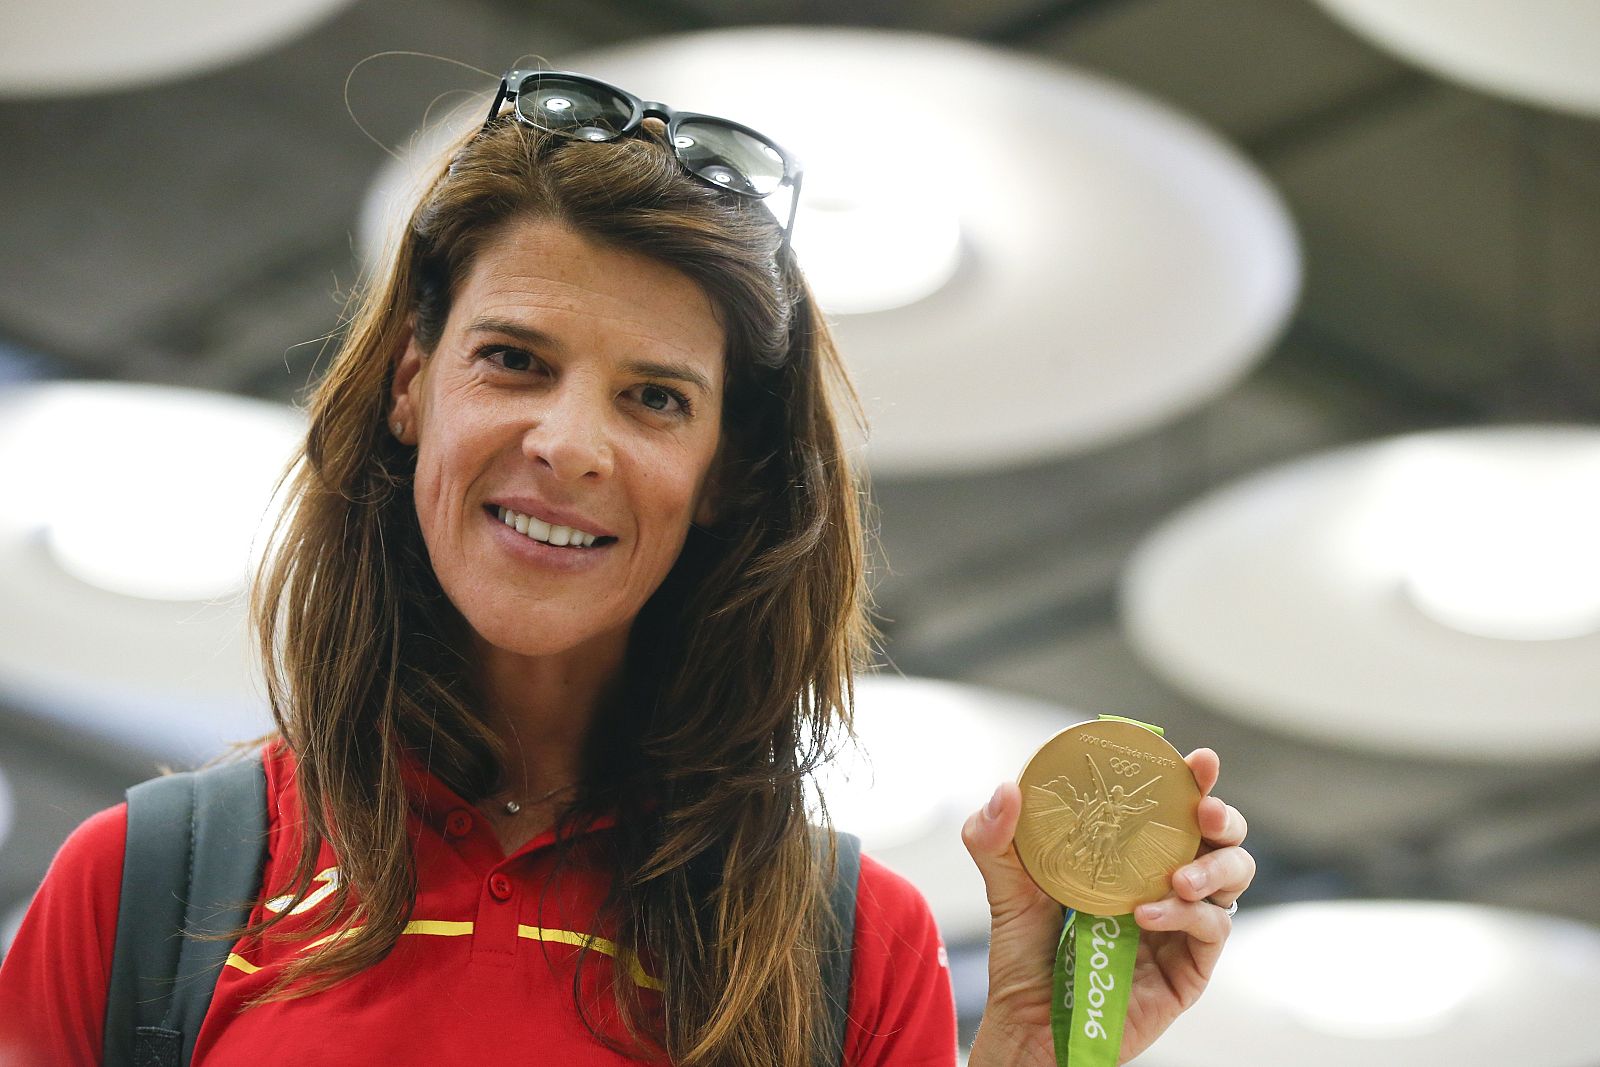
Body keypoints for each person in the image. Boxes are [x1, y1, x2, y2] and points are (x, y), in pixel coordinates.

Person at [0, 69, 1253, 1066]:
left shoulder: (843, 947)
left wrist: (1037, 1051)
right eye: (513, 359)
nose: (568, 444)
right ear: (409, 387)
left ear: (722, 476)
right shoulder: (149, 886)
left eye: (654, 397)